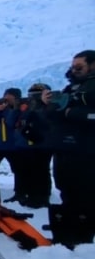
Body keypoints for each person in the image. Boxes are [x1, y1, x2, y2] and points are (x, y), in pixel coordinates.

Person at [42, 49, 95, 246]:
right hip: (64, 149)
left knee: (86, 194)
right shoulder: (70, 88)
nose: (74, 70)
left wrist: (70, 112)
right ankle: (68, 236)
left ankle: (84, 238)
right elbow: (54, 116)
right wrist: (49, 106)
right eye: (72, 67)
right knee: (67, 191)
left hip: (87, 151)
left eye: (79, 67)